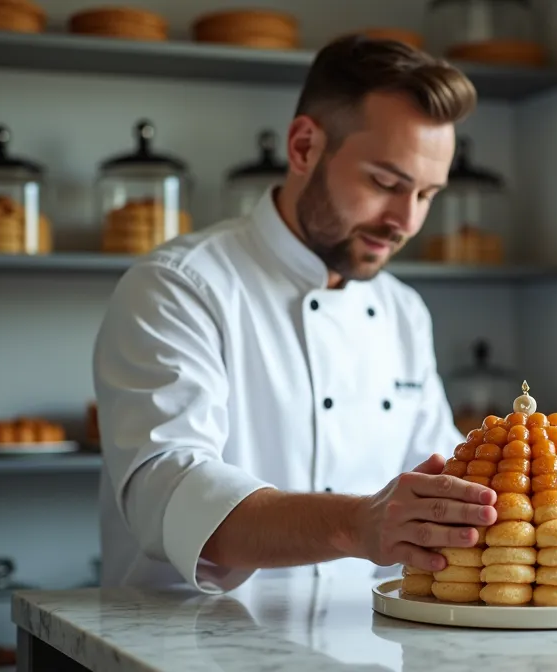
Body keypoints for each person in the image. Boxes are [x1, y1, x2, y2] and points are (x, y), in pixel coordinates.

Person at [91, 35, 498, 593]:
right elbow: (171, 491)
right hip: (192, 647)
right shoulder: (178, 287)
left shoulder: (403, 312)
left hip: (366, 646)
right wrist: (355, 525)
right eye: (385, 183)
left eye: (427, 195)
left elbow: (440, 475)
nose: (405, 220)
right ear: (305, 147)